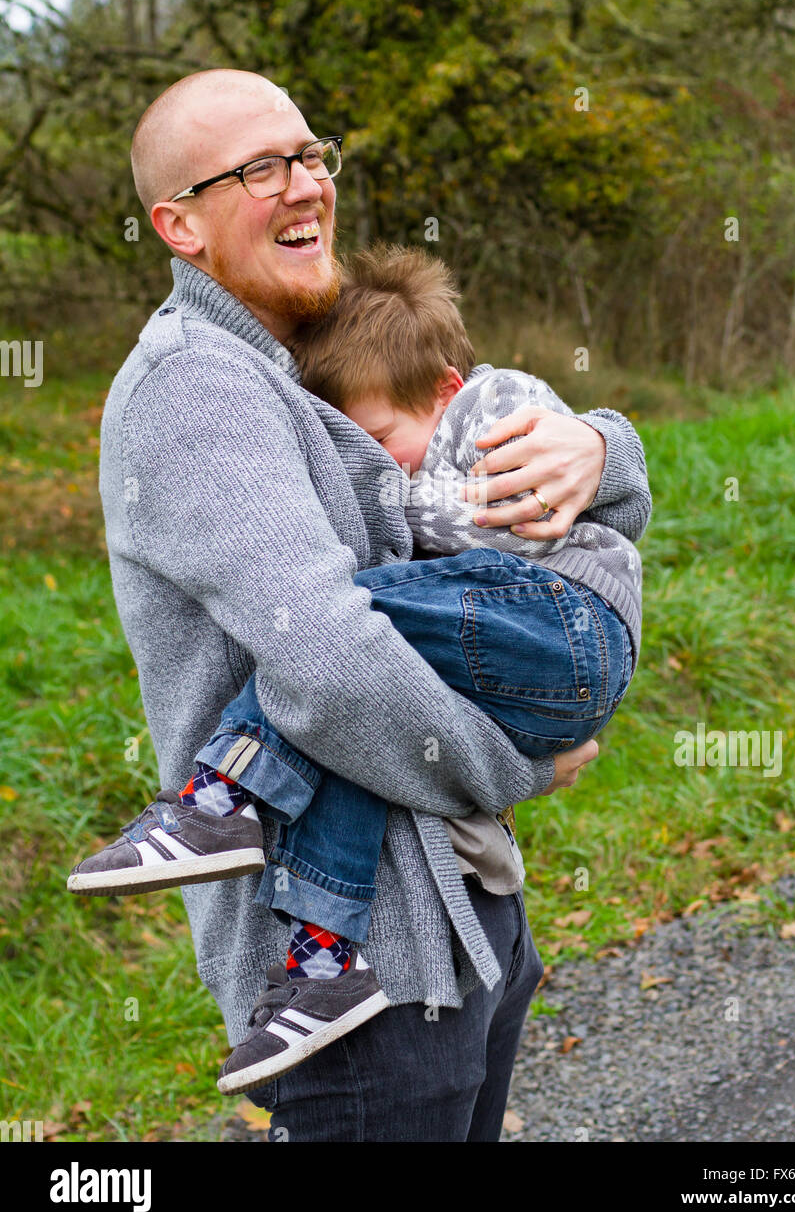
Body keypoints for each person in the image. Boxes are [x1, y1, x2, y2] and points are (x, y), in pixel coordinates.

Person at [88, 66, 650, 1141]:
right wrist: (521, 765)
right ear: (179, 224)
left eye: (310, 155)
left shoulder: (313, 353)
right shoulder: (196, 387)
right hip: (351, 977)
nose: (304, 185)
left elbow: (498, 502)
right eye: (260, 168)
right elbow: (332, 653)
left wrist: (598, 445)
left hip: (456, 912)